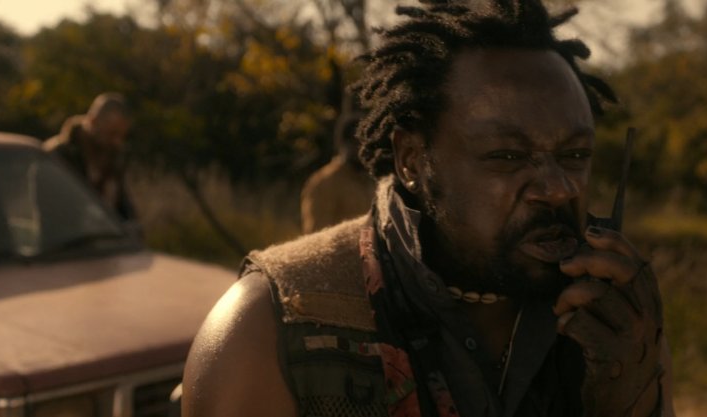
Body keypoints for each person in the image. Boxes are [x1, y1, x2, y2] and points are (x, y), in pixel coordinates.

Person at [183, 1, 674, 416]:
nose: (558, 189)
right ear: (412, 160)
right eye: (507, 156)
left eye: (575, 156)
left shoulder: (614, 317)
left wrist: (631, 394)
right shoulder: (270, 329)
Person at [43, 92, 137, 222]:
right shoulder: (56, 156)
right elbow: (50, 211)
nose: (117, 142)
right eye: (112, 134)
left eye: (121, 136)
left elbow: (125, 212)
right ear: (93, 121)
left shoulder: (113, 161)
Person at [300, 94, 376, 233]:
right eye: (356, 144)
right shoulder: (324, 182)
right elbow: (317, 236)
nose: (361, 150)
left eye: (365, 145)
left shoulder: (371, 182)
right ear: (344, 144)